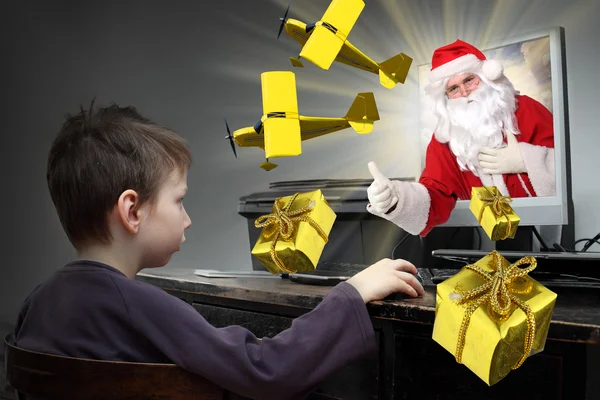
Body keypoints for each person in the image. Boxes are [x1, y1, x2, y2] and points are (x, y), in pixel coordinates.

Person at [14, 103, 424, 400]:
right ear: (132, 210)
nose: (187, 218)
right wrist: (351, 292)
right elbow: (266, 370)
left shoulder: (38, 303)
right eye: (179, 201)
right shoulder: (137, 304)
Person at [366, 39, 555, 237]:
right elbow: (435, 195)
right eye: (453, 88)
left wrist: (526, 159)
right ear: (446, 96)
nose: (464, 92)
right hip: (488, 239)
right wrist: (395, 198)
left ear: (486, 77)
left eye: (469, 80)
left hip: (548, 231)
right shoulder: (445, 137)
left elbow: (572, 171)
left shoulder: (526, 109)